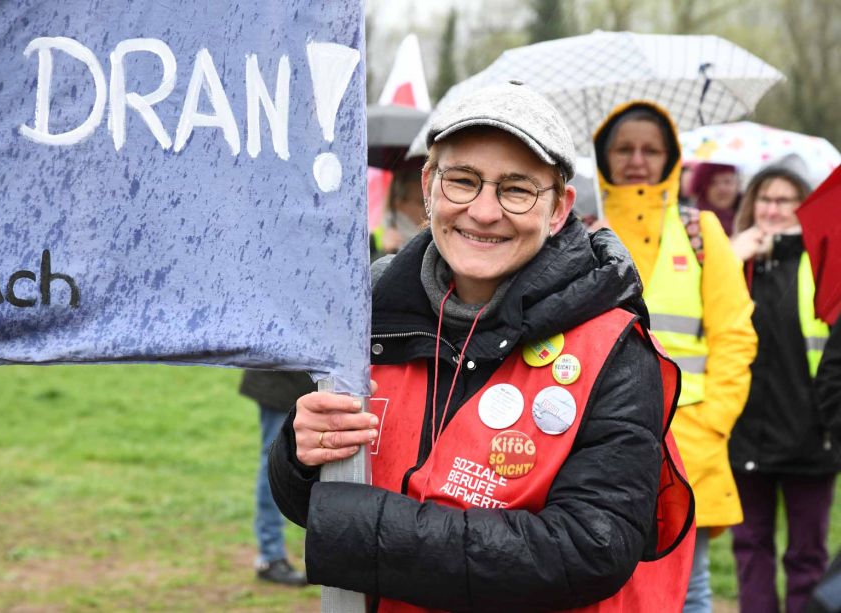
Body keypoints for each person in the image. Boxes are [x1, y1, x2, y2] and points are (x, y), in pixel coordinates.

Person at [269, 81, 695, 612]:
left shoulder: (613, 347)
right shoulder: (371, 314)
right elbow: (313, 499)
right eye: (463, 181)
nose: (485, 211)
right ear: (428, 185)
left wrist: (358, 526)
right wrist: (299, 455)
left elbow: (589, 547)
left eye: (516, 189)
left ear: (560, 207)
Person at [592, 101, 758, 613]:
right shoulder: (582, 231)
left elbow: (735, 334)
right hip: (598, 439)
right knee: (606, 585)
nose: (637, 160)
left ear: (671, 157)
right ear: (604, 156)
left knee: (692, 588)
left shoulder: (701, 231)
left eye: (650, 149)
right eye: (625, 149)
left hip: (689, 440)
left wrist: (714, 423)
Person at [728, 166, 839, 613]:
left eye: (785, 200)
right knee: (750, 551)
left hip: (809, 437)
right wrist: (729, 258)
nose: (772, 209)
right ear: (751, 203)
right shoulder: (730, 261)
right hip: (741, 435)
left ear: (803, 208)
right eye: (765, 199)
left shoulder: (822, 263)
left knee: (807, 556)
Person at [239, 370, 314, 586]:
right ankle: (271, 557)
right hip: (279, 379)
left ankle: (324, 556)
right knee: (274, 459)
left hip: (318, 379)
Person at [690, 162, 742, 234]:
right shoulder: (693, 222)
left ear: (738, 184)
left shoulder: (753, 218)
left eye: (727, 182)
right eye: (713, 183)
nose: (721, 188)